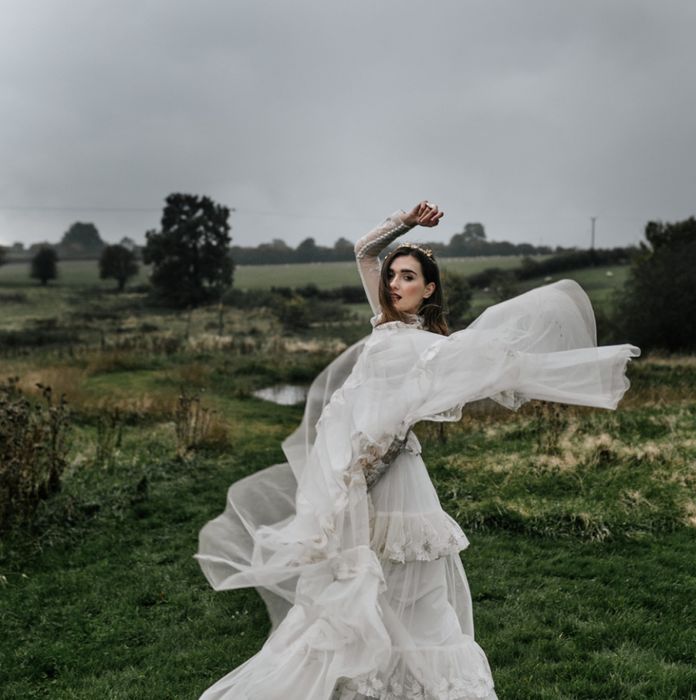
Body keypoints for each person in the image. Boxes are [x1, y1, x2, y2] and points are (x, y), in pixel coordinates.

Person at [195, 202, 640, 699]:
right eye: (392, 276)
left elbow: (470, 377)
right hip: (356, 482)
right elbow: (365, 251)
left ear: (428, 290)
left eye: (407, 277)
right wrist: (406, 222)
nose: (393, 284)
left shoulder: (431, 347)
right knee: (358, 591)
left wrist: (365, 466)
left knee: (417, 596)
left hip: (396, 483)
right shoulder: (383, 329)